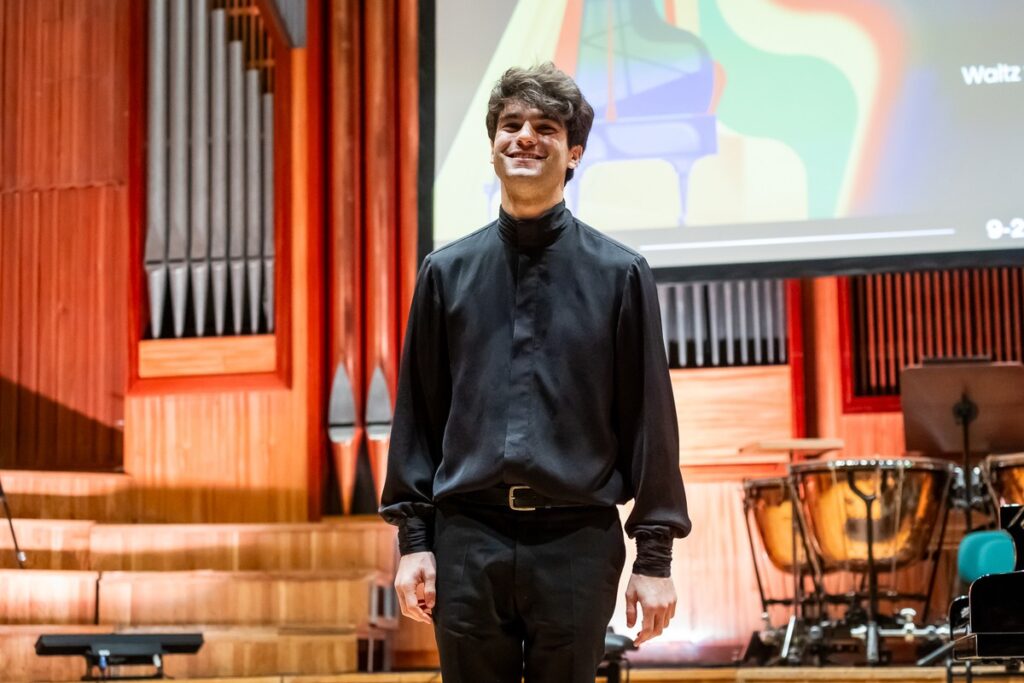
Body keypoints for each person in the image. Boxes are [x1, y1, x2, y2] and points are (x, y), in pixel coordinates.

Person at [380, 62, 690, 683]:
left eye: (545, 127)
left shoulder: (621, 274)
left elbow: (650, 421)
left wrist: (654, 557)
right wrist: (415, 541)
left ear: (573, 153)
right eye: (511, 124)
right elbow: (420, 414)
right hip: (467, 540)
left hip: (576, 542)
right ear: (492, 146)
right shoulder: (445, 273)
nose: (524, 136)